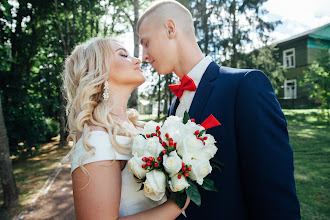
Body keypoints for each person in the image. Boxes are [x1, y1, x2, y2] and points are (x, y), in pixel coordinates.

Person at [137, 1, 301, 219]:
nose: (144, 56)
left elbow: (275, 192)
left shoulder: (244, 85)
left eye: (146, 43)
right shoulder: (175, 105)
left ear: (170, 29)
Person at [61, 37, 189, 219]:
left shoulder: (141, 127)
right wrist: (177, 204)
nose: (137, 60)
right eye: (123, 55)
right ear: (101, 70)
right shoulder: (96, 139)